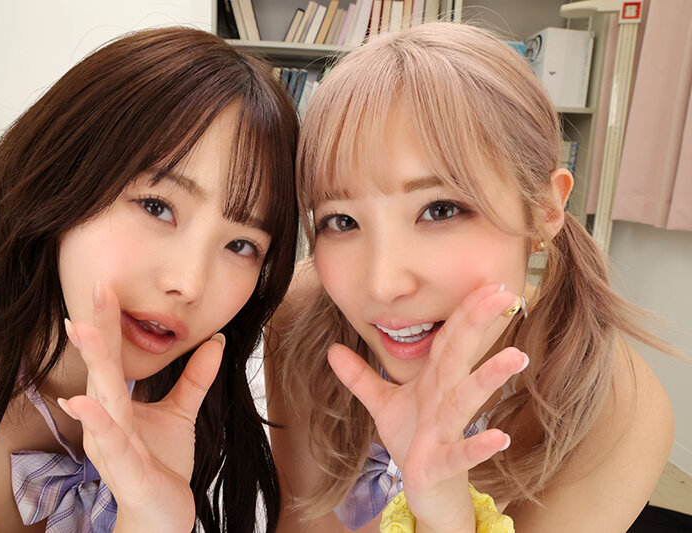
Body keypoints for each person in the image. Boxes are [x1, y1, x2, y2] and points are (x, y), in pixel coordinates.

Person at [266, 22, 675, 533]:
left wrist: (446, 515)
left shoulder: (614, 403)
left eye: (440, 210)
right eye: (342, 221)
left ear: (544, 210)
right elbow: (300, 522)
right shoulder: (303, 318)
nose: (383, 284)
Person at [0, 26, 299, 533]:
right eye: (157, 206)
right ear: (60, 181)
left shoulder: (198, 417)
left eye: (241, 246)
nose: (189, 284)